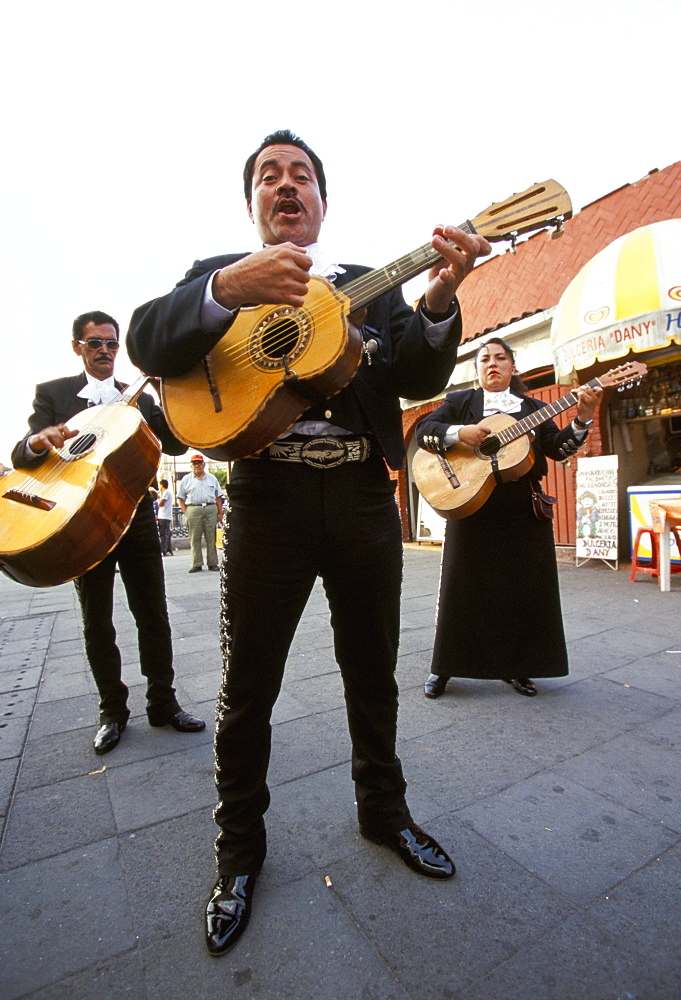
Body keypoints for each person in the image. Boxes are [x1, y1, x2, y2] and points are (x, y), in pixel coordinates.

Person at [126, 129, 491, 957]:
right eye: (268, 177)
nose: (285, 186)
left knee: (373, 670)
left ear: (322, 205)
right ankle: (238, 854)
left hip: (362, 498)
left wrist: (438, 298)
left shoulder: (368, 287)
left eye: (300, 176)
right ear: (253, 205)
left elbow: (417, 375)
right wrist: (224, 286)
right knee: (246, 685)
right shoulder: (217, 274)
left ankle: (384, 813)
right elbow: (150, 339)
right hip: (267, 501)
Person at [11, 311, 206, 754]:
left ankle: (164, 703)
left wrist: (163, 392)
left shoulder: (136, 395)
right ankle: (112, 711)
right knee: (96, 621)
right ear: (77, 347)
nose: (104, 351)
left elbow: (175, 444)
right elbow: (24, 454)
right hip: (80, 523)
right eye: (95, 343)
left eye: (111, 344)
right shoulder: (54, 393)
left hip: (134, 516)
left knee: (152, 613)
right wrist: (39, 441)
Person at [416, 336, 602, 700]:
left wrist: (582, 417)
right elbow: (425, 432)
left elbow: (556, 447)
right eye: (485, 359)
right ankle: (446, 667)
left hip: (522, 510)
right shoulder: (460, 403)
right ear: (477, 369)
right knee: (461, 588)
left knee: (524, 588)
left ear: (512, 366)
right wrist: (460, 433)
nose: (492, 364)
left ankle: (517, 666)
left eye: (500, 358)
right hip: (469, 502)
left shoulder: (532, 407)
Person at [177, 455, 223, 572]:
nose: (197, 466)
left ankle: (212, 563)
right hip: (193, 509)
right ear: (191, 466)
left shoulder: (212, 478)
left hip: (210, 508)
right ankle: (196, 564)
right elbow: (180, 497)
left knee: (211, 537)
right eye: (194, 464)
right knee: (194, 538)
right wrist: (185, 511)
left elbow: (218, 496)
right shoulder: (186, 479)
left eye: (199, 463)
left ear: (204, 464)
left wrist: (220, 512)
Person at [157, 478, 174, 555]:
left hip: (164, 516)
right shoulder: (167, 493)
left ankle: (164, 549)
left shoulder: (166, 493)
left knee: (163, 534)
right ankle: (168, 549)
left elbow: (160, 504)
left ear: (162, 485)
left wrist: (158, 500)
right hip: (166, 516)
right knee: (166, 533)